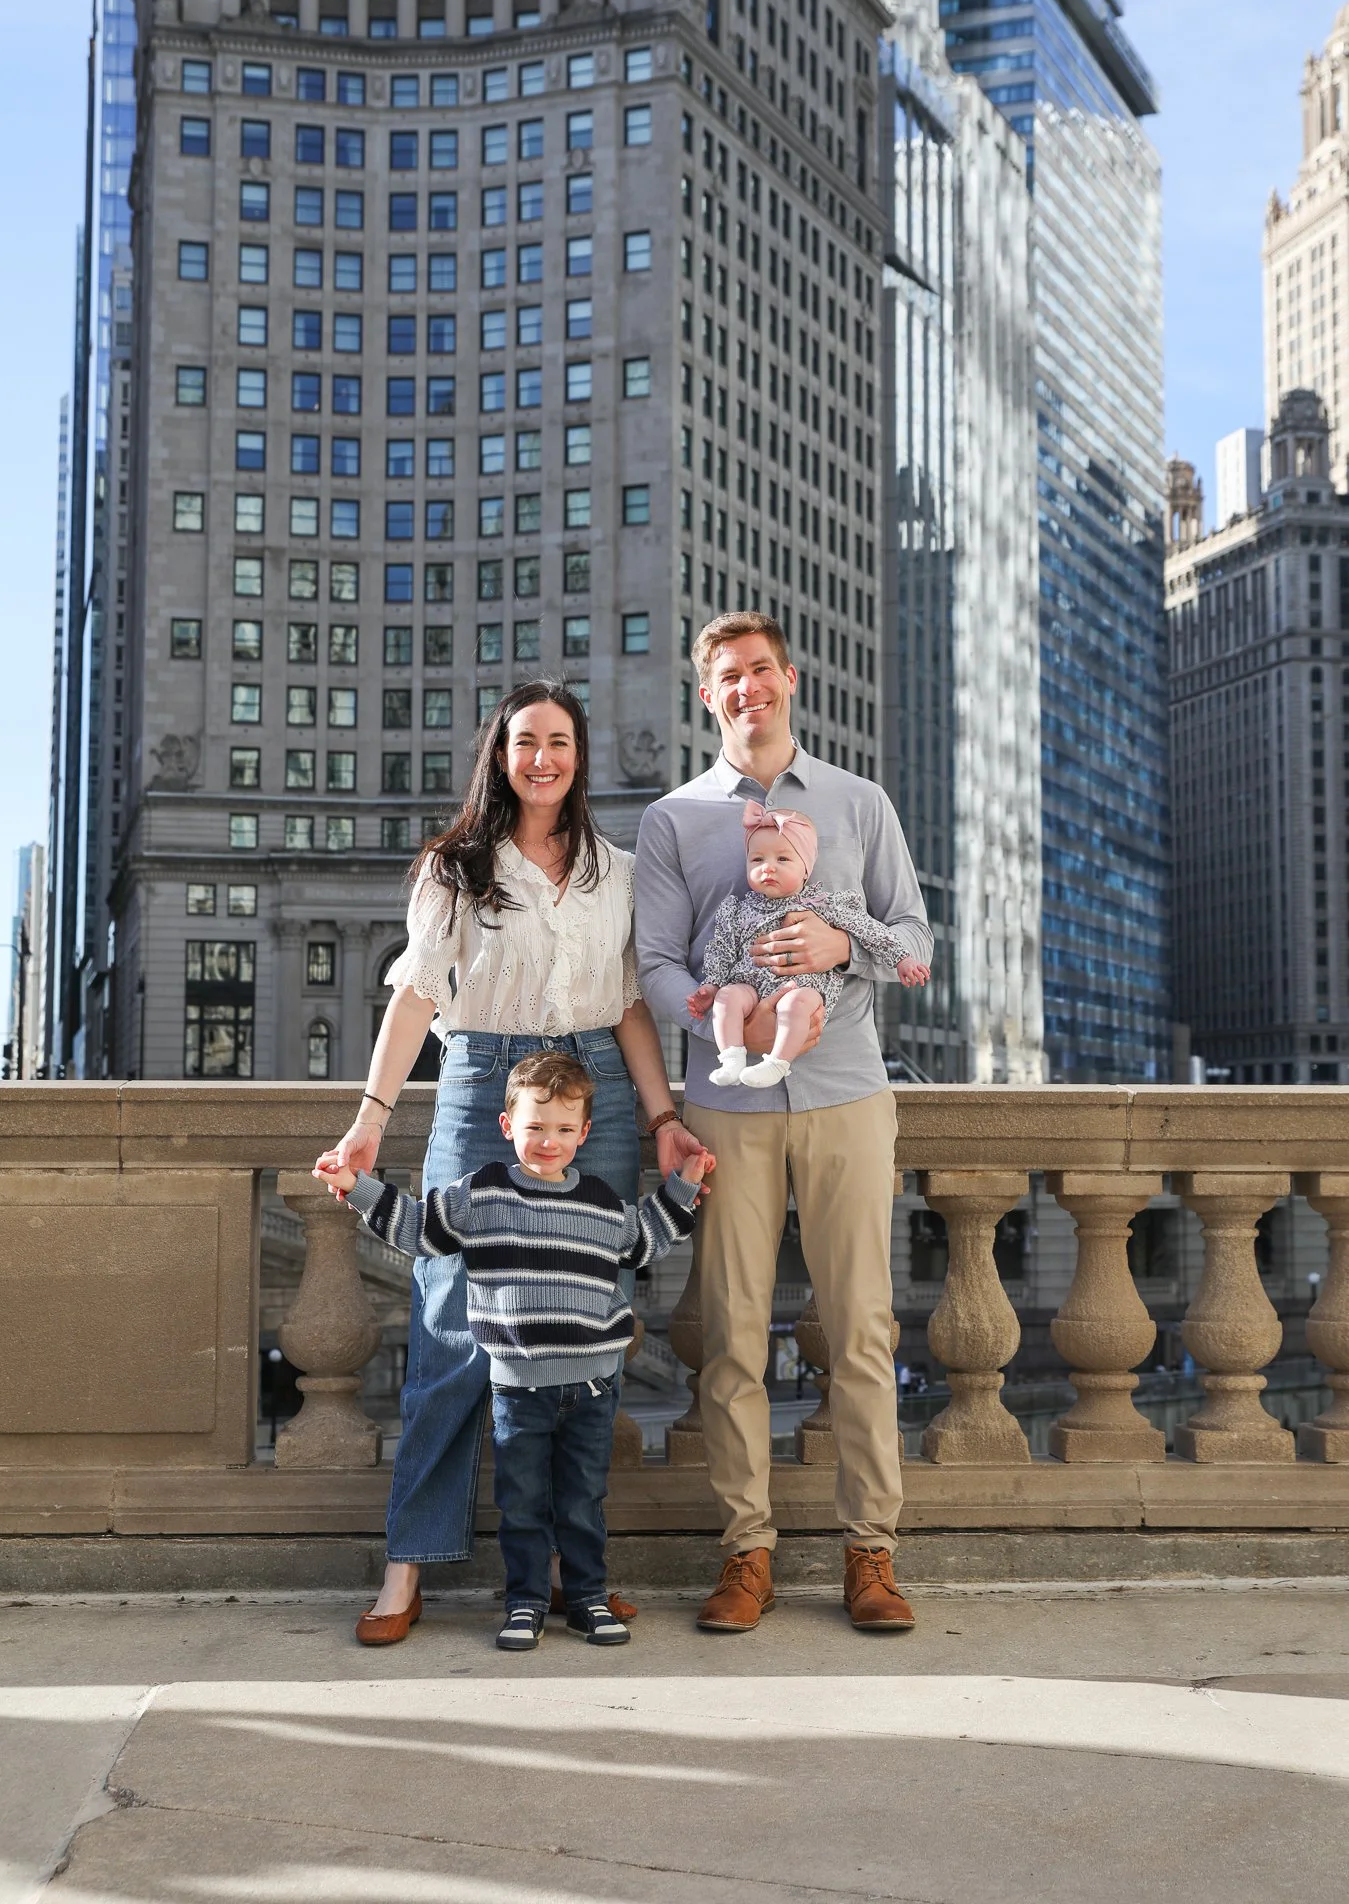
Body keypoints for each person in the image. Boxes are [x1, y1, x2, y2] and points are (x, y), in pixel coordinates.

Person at [317, 680, 708, 1646]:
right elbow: (413, 999)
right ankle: (407, 1562)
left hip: (601, 1089)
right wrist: (370, 1118)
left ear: (581, 757)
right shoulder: (455, 868)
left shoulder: (613, 869)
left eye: (560, 743)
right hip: (483, 1075)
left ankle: (575, 1571)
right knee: (450, 1326)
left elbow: (627, 1004)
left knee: (591, 1313)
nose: (543, 758)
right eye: (525, 741)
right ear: (499, 754)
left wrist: (661, 1116)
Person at [635, 612, 933, 1634]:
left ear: (788, 678)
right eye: (727, 675)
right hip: (727, 1103)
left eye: (761, 669)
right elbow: (658, 962)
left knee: (859, 1330)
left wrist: (836, 951)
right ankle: (745, 1551)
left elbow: (912, 938)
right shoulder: (674, 820)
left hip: (849, 1091)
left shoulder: (860, 802)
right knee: (731, 1339)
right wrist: (725, 1009)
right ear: (706, 693)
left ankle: (871, 1553)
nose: (747, 687)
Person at [316, 1051, 708, 1651]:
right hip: (518, 1387)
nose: (548, 1142)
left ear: (583, 1134)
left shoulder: (602, 1202)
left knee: (582, 1502)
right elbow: (419, 1230)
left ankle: (585, 1599)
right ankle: (524, 1601)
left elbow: (647, 1241)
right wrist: (356, 1186)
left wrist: (683, 1185)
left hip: (592, 1387)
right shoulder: (481, 1195)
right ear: (507, 1127)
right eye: (534, 1127)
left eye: (562, 1130)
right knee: (521, 1505)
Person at [687, 799, 921, 1088]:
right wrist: (712, 985)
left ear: (806, 870)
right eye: (757, 860)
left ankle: (777, 1063)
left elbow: (869, 928)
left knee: (795, 1005)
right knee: (727, 998)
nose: (768, 868)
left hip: (804, 986)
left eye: (782, 860)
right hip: (749, 983)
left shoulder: (822, 905)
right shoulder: (737, 909)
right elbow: (721, 949)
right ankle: (732, 1057)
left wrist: (902, 958)